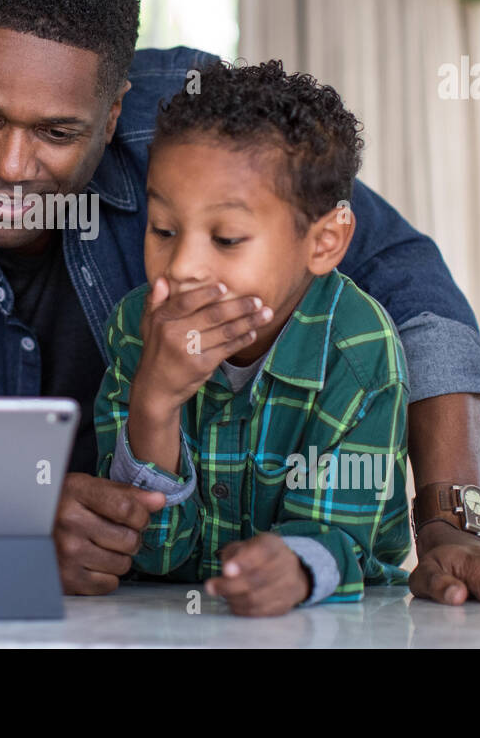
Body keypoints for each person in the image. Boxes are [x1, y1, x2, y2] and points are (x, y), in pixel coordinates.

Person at [0, 0, 480, 641]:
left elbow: (409, 282)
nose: (11, 165)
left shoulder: (190, 133)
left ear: (112, 115)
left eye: (57, 132)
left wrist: (450, 524)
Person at [94, 59, 408, 615]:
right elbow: (152, 554)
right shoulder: (135, 327)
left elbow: (345, 543)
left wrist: (295, 566)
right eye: (163, 229)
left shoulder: (359, 351)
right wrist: (155, 402)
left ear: (324, 242)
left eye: (228, 238)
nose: (183, 266)